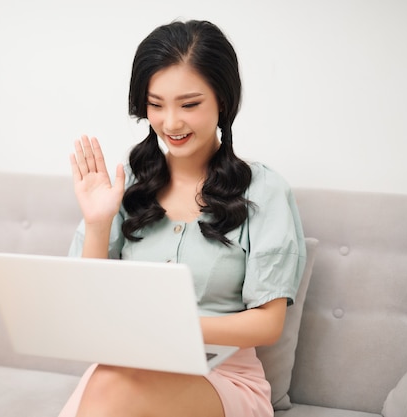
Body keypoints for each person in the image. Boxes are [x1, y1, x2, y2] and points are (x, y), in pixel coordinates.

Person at [61, 20, 307, 417]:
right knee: (107, 384)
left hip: (220, 377)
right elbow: (91, 306)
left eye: (189, 104)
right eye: (156, 104)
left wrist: (165, 326)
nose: (170, 123)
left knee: (108, 393)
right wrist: (97, 222)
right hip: (129, 367)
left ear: (222, 102)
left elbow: (267, 323)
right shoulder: (129, 183)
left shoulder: (263, 190)